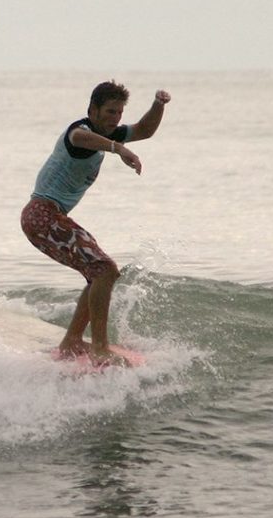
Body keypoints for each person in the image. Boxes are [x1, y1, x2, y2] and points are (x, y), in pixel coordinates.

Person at [21, 81, 171, 363]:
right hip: (41, 215)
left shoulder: (109, 133)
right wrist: (118, 149)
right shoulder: (81, 131)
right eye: (109, 111)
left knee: (101, 272)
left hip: (51, 217)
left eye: (118, 113)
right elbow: (79, 139)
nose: (115, 118)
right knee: (104, 269)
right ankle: (100, 348)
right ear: (93, 109)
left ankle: (72, 341)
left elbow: (144, 130)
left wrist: (158, 105)